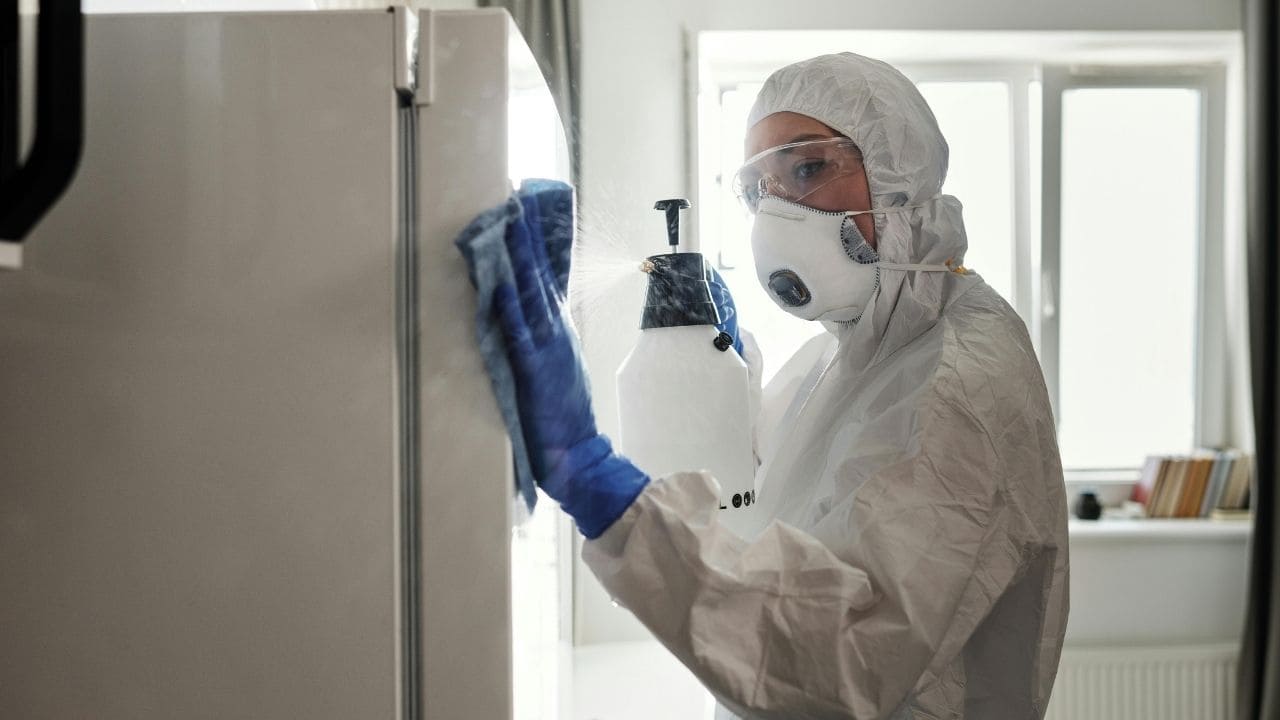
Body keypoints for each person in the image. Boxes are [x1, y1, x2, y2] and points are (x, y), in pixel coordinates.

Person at [493, 52, 1069, 720]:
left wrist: (597, 484)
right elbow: (766, 508)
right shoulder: (852, 354)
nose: (777, 214)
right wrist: (712, 390)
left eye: (807, 169)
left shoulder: (959, 379)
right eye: (758, 190)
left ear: (896, 175)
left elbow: (838, 656)